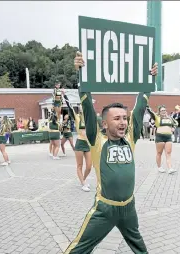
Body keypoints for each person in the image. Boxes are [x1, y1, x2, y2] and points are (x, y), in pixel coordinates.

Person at [64, 52, 158, 254]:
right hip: (104, 210)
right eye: (117, 118)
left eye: (124, 117)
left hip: (129, 208)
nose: (123, 122)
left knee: (140, 248)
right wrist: (81, 72)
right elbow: (87, 105)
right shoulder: (96, 139)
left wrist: (150, 79)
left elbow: (141, 104)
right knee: (79, 248)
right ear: (104, 124)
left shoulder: (131, 137)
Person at [62, 88, 92, 192]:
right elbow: (70, 107)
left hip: (88, 144)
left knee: (89, 166)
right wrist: (64, 95)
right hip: (80, 143)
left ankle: (83, 180)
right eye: (81, 108)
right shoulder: (77, 117)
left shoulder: (90, 119)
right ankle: (83, 183)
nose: (83, 109)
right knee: (80, 165)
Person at [147, 105, 178, 174]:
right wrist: (147, 107)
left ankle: (170, 168)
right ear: (159, 112)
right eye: (162, 110)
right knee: (159, 153)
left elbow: (176, 123)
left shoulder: (170, 118)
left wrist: (174, 128)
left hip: (168, 137)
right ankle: (159, 167)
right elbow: (151, 112)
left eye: (164, 110)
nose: (164, 111)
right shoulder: (157, 117)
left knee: (168, 153)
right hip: (160, 137)